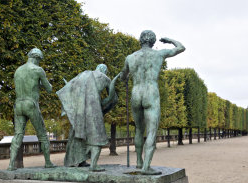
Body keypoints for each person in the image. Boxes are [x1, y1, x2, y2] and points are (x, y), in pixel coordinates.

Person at [120, 30, 185, 174]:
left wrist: (125, 77)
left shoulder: (130, 57)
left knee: (138, 129)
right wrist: (169, 40)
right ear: (153, 41)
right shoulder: (159, 54)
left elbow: (123, 76)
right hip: (151, 93)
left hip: (136, 93)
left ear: (140, 40)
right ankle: (146, 167)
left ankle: (138, 162)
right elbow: (181, 48)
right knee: (151, 131)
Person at [57, 64, 118, 171]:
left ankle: (76, 161)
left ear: (97, 68)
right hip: (94, 108)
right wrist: (104, 106)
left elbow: (69, 90)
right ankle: (94, 165)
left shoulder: (82, 75)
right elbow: (113, 99)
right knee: (97, 136)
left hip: (79, 110)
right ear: (104, 70)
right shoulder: (105, 78)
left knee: (76, 134)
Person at [8, 48, 55, 171]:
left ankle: (11, 165)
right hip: (31, 103)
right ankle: (48, 162)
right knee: (43, 135)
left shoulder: (18, 70)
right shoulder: (38, 70)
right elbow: (49, 89)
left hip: (18, 104)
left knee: (18, 135)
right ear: (38, 58)